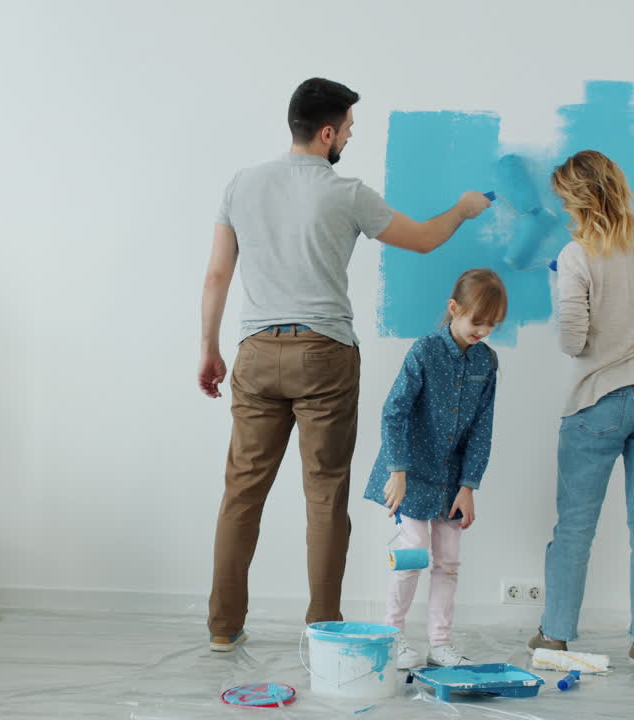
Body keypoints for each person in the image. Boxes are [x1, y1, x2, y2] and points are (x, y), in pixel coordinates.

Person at [199, 77, 492, 651]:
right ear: (327, 131)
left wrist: (209, 349)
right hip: (324, 355)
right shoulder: (347, 192)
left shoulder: (241, 184)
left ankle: (222, 628)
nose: (351, 137)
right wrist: (462, 208)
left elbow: (216, 276)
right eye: (350, 128)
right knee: (325, 494)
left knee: (242, 493)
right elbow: (426, 239)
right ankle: (324, 629)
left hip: (255, 352)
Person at [527, 150, 634, 668]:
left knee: (574, 525)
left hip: (599, 401)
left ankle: (555, 636)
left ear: (575, 199)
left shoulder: (577, 255)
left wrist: (565, 286)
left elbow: (574, 341)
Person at [364, 268, 506, 668]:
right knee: (413, 554)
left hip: (451, 480)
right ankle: (393, 638)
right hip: (409, 474)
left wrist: (469, 485)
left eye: (491, 325)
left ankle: (440, 643)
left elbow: (482, 427)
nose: (483, 331)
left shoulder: (487, 363)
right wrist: (397, 470)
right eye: (477, 321)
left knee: (448, 562)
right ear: (453, 309)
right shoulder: (424, 352)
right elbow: (393, 411)